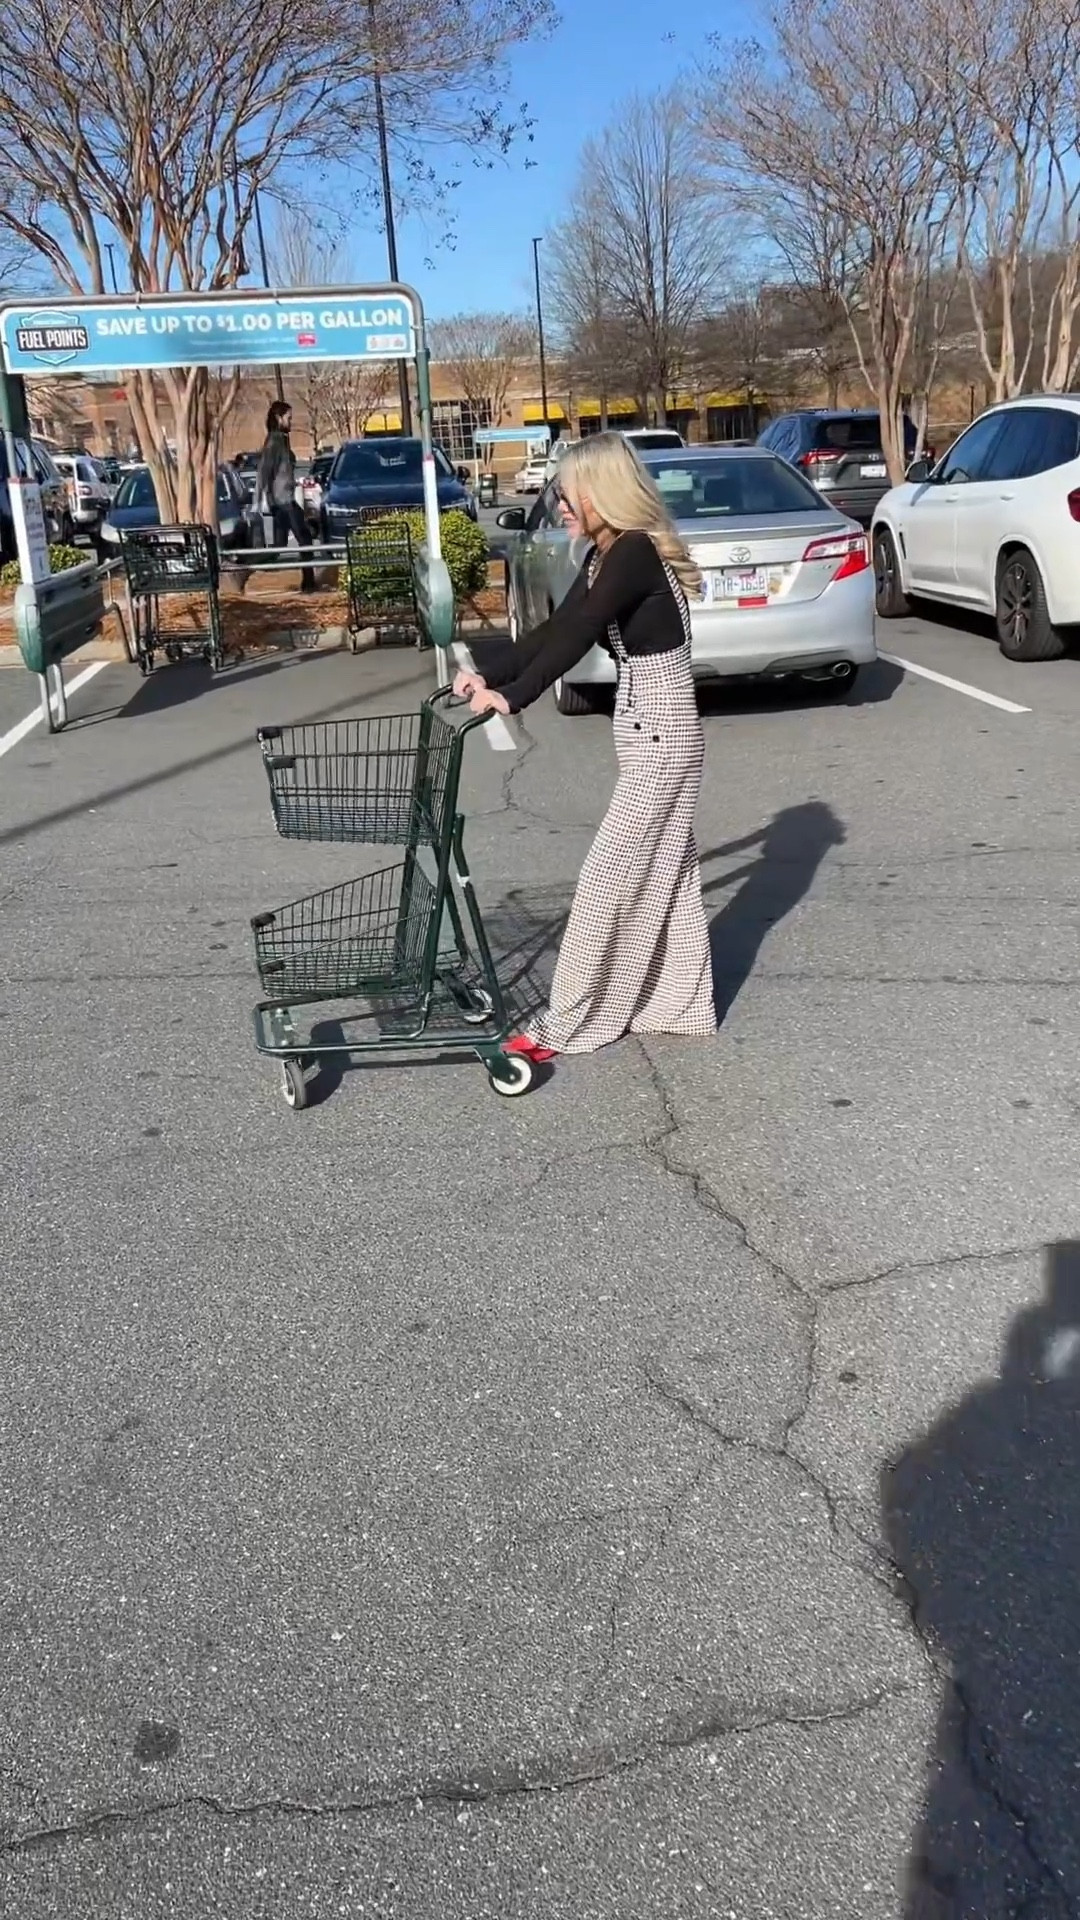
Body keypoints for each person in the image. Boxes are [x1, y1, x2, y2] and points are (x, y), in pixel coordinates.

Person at [456, 431, 717, 1064]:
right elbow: (552, 629)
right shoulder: (607, 555)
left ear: (601, 491)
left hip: (662, 738)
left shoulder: (633, 553)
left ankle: (567, 1022)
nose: (561, 503)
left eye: (569, 492)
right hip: (646, 733)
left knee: (606, 880)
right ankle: (681, 1003)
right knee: (670, 875)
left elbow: (576, 635)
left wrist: (513, 699)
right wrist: (489, 672)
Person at [256, 399, 316, 593]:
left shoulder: (280, 439)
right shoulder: (274, 442)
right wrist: (261, 500)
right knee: (304, 539)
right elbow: (264, 472)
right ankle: (308, 583)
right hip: (283, 501)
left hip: (284, 499)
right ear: (278, 418)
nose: (291, 422)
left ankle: (248, 562)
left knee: (280, 544)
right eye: (288, 418)